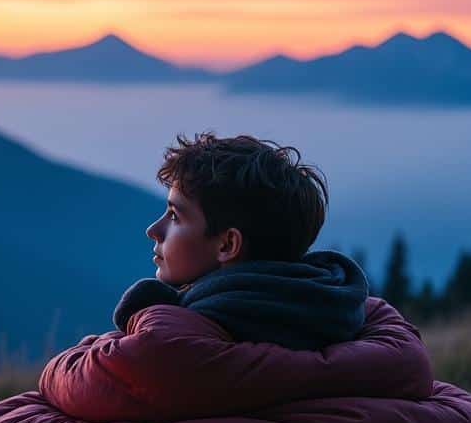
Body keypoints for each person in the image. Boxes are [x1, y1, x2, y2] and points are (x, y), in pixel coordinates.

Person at [112, 132, 370, 351]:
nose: (153, 230)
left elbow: (84, 379)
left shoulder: (168, 352)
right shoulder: (358, 322)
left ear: (227, 245)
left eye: (174, 216)